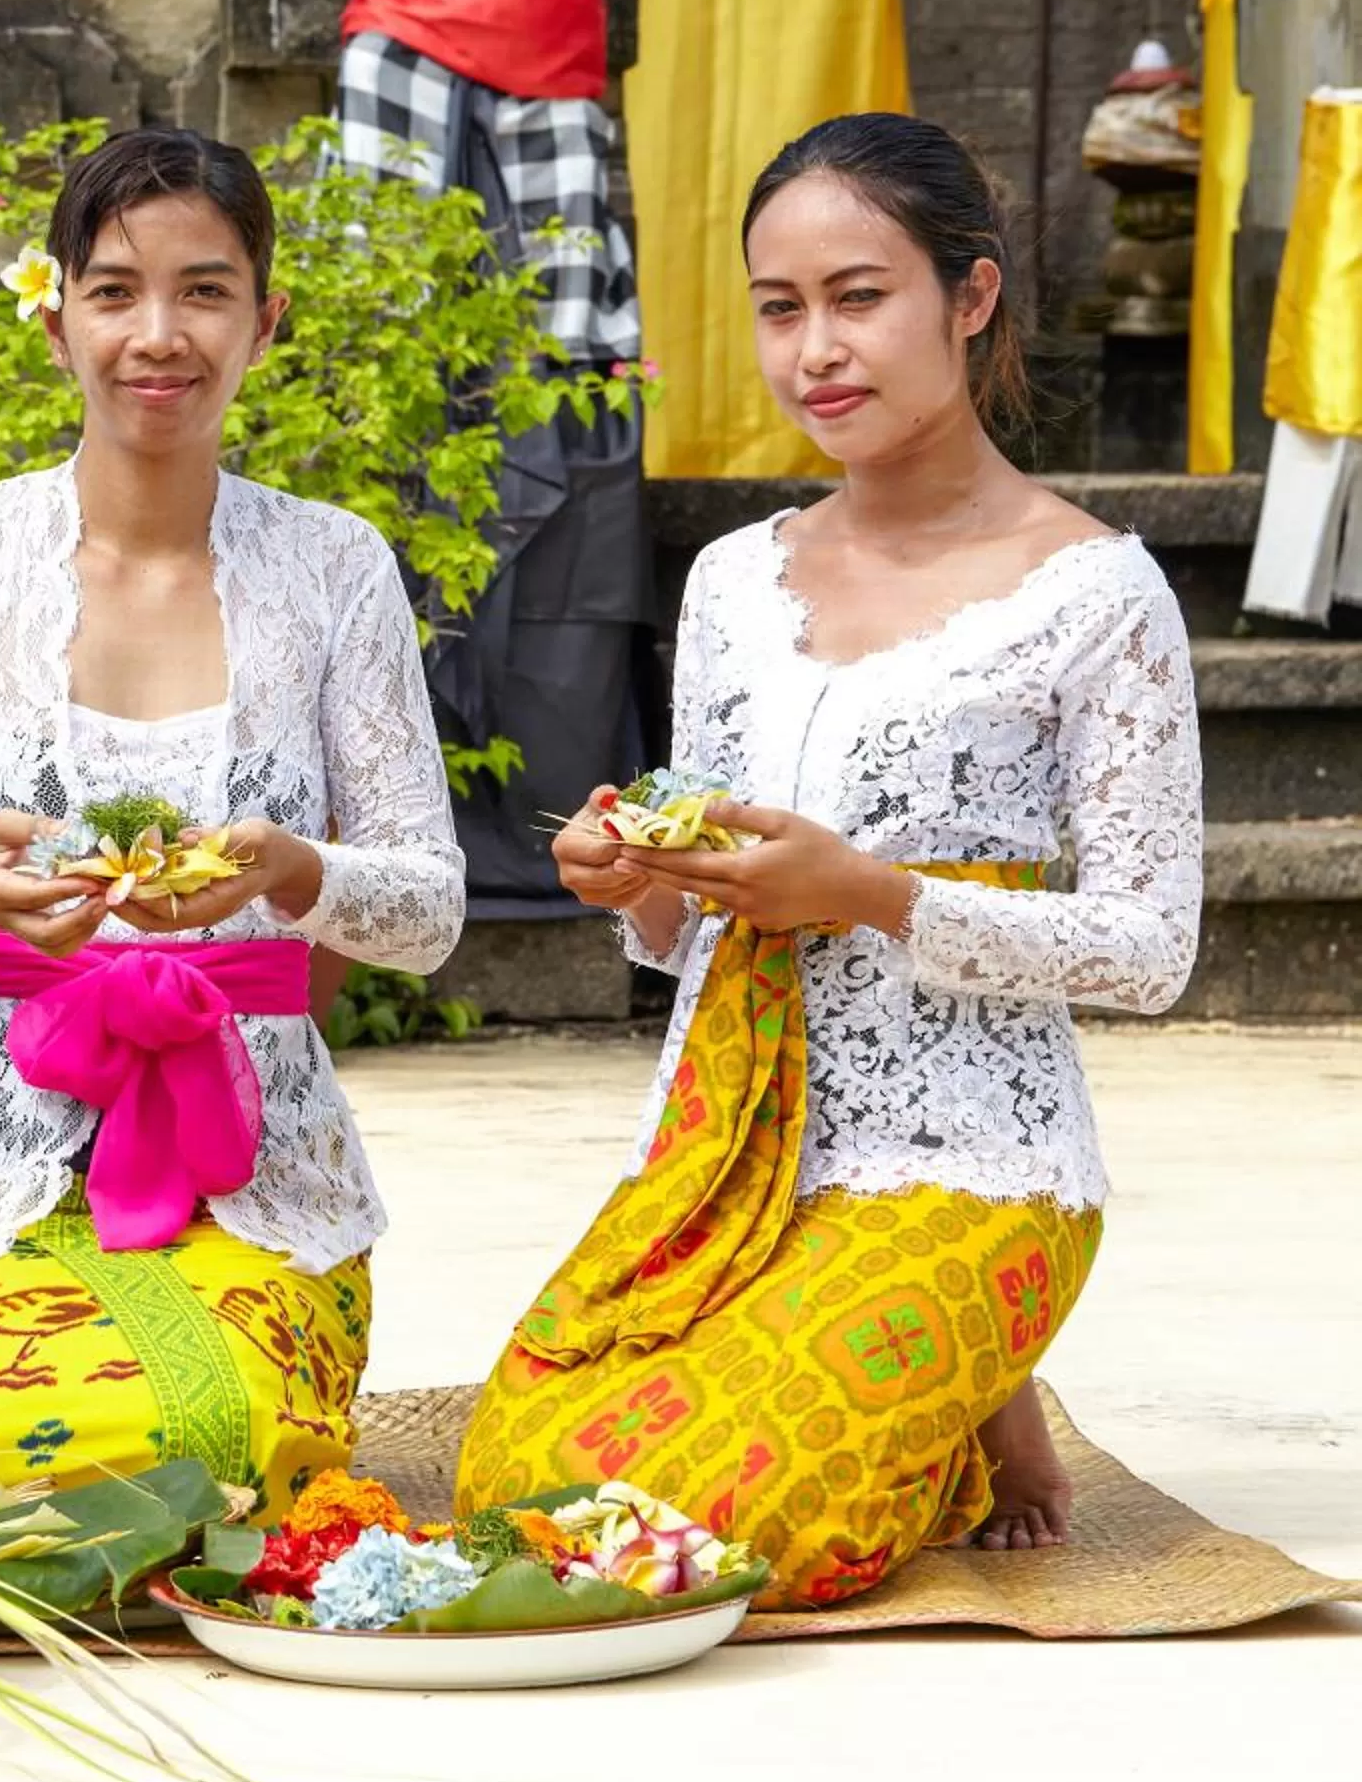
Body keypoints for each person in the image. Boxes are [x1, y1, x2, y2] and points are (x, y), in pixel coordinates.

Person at [455, 115, 1204, 1606]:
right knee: (516, 1480)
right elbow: (697, 919)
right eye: (780, 309)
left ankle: (969, 1381)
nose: (817, 353)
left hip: (979, 1167)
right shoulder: (738, 582)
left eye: (861, 297)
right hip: (733, 1158)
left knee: (705, 1526)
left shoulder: (1098, 594)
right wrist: (638, 876)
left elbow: (1148, 946)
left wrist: (867, 893)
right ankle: (962, 1415)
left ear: (970, 298)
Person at [0, 128, 466, 1522]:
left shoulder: (338, 568)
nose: (157, 336)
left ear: (267, 320)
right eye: (113, 292)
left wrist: (297, 875)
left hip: (257, 1171)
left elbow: (429, 914)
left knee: (210, 1447)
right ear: (53, 314)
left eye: (205, 291)